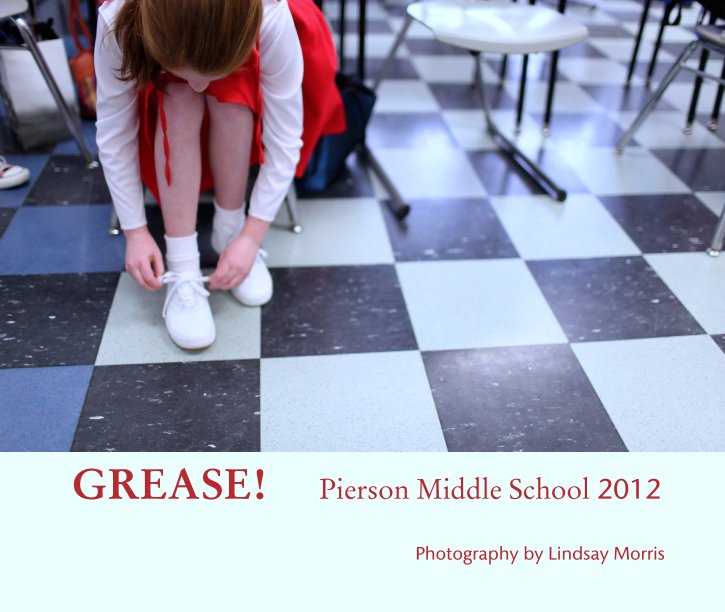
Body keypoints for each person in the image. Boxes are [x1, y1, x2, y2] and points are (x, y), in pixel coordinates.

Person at [95, 0, 345, 349]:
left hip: (251, 41)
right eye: (184, 69)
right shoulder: (117, 19)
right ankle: (181, 265)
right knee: (179, 96)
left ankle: (230, 231)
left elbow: (286, 138)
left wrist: (251, 236)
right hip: (160, 87)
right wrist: (135, 232)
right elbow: (114, 133)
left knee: (230, 90)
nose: (201, 87)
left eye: (208, 76)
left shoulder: (270, 15)